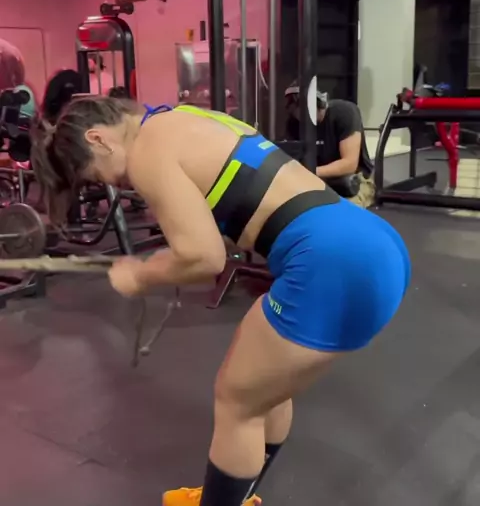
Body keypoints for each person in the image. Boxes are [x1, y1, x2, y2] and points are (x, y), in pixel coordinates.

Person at [31, 96, 411, 506]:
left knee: (236, 404)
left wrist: (140, 275)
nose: (109, 182)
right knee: (267, 391)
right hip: (372, 242)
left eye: (94, 173)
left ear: (98, 139)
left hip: (333, 260)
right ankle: (237, 496)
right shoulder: (182, 117)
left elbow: (203, 257)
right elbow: (234, 210)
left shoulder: (145, 151)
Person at [285, 82, 375, 207]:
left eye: (303, 110)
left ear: (318, 103)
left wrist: (310, 171)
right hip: (317, 180)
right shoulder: (294, 123)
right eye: (296, 112)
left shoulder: (344, 112)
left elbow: (349, 164)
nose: (300, 117)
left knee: (343, 212)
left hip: (354, 180)